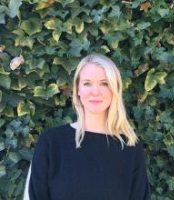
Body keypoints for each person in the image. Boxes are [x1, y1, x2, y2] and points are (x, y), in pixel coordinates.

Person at [27, 53, 150, 200]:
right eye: (87, 83)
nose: (95, 92)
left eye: (104, 83)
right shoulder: (51, 142)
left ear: (114, 90)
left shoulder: (130, 147)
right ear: (78, 89)